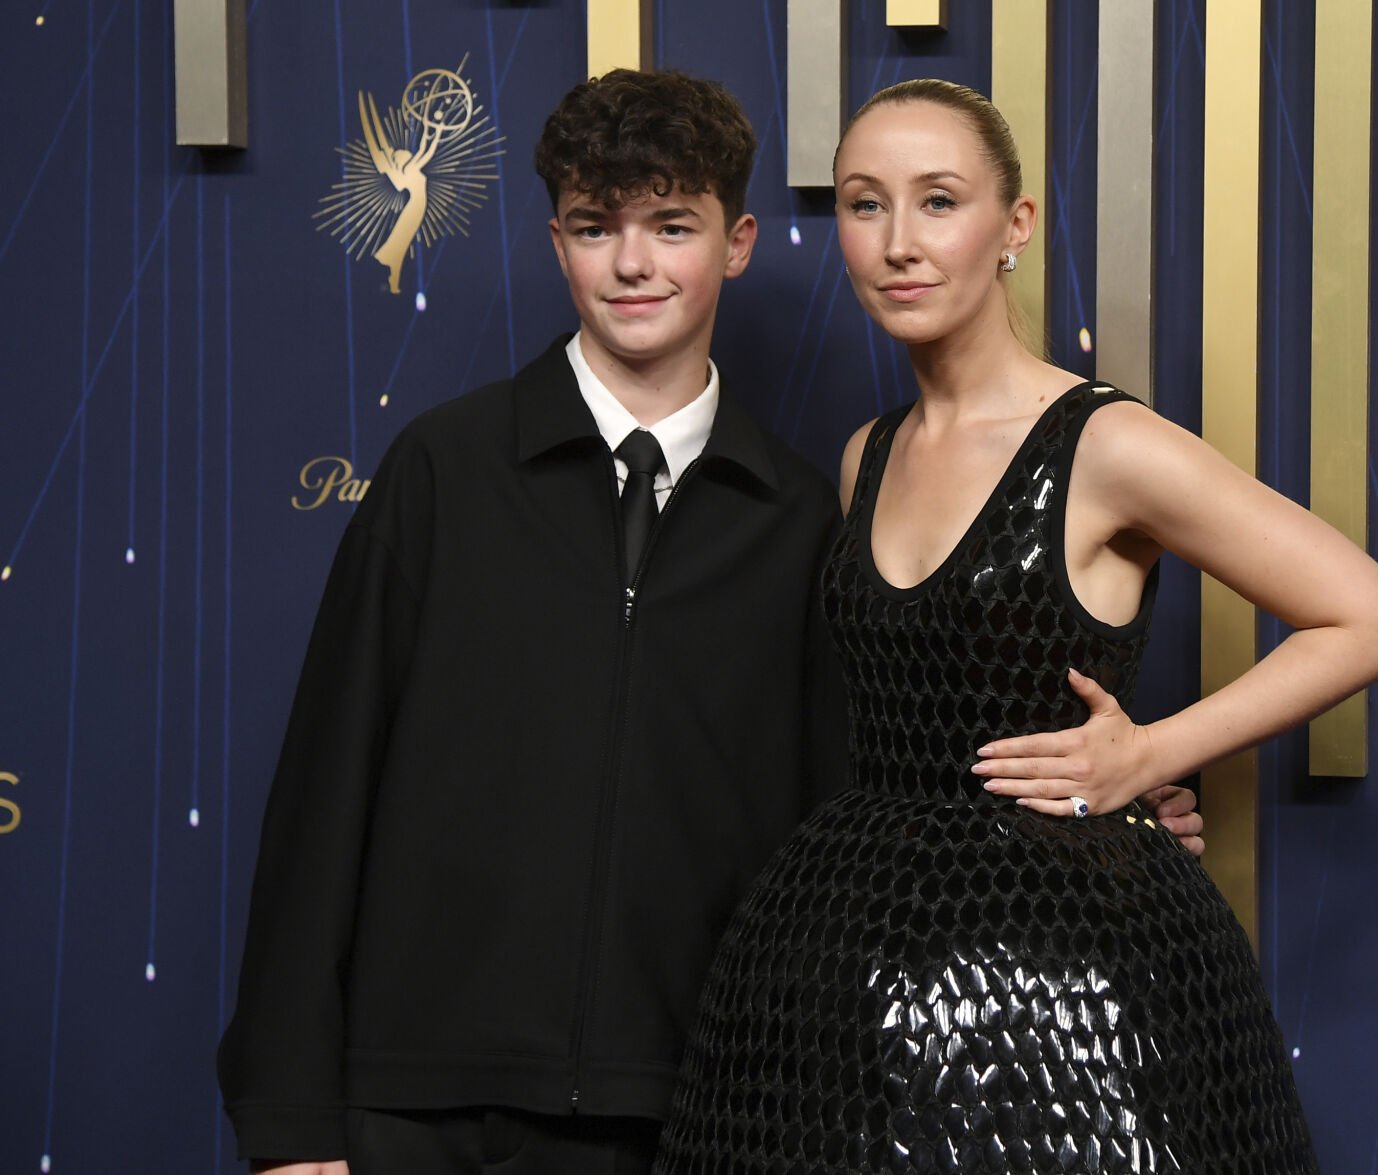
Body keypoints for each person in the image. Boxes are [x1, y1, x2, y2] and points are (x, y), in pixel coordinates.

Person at [219, 70, 1204, 1175]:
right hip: (417, 1100)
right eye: (596, 227)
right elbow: (322, 790)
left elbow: (870, 787)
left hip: (684, 1108)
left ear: (734, 243)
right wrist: (290, 1120)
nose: (632, 264)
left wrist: (1094, 823)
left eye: (671, 226)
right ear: (557, 245)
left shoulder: (803, 514)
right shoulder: (442, 472)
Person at [656, 79, 1378, 1174]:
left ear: (1012, 225)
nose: (898, 242)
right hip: (858, 965)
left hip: (1070, 983)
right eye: (864, 204)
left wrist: (1149, 754)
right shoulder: (863, 457)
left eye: (938, 201)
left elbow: (1370, 617)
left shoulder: (1105, 445)